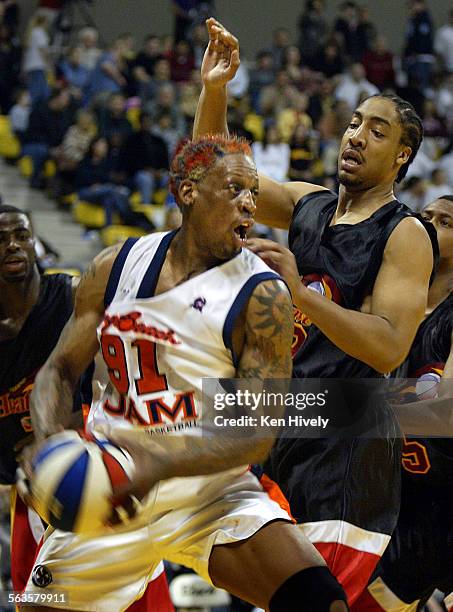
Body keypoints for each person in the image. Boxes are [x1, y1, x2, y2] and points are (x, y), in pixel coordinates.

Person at [22, 135, 348, 612]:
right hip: (111, 484)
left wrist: (162, 465)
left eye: (254, 193)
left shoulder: (263, 295)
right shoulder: (114, 267)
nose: (249, 205)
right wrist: (49, 444)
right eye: (235, 188)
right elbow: (58, 369)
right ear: (188, 191)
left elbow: (259, 432)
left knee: (320, 602)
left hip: (210, 488)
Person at [193, 18, 434, 607]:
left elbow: (389, 348)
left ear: (402, 155)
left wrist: (302, 294)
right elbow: (217, 179)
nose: (355, 136)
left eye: (376, 132)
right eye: (354, 123)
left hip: (346, 442)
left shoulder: (404, 233)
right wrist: (216, 90)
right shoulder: (308, 205)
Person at [0, 204, 172, 610]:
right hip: (30, 493)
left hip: (93, 465)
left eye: (22, 235)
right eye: (2, 239)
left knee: (140, 594)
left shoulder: (71, 297)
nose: (13, 245)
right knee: (36, 600)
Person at [354, 195, 453, 611]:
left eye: (445, 221)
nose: (429, 224)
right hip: (381, 489)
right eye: (424, 216)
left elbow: (444, 412)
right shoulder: (375, 298)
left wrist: (317, 403)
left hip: (438, 500)